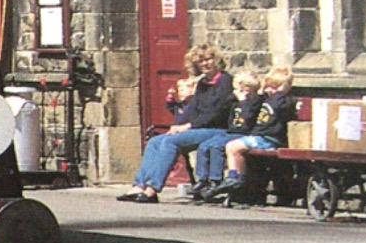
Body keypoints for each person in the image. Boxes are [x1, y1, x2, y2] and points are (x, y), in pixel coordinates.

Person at [118, 44, 234, 203]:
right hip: (198, 128)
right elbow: (195, 109)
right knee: (154, 141)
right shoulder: (202, 84)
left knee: (171, 141)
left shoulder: (225, 81)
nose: (205, 64)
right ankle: (139, 185)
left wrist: (189, 126)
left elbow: (217, 112)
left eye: (209, 59)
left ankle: (153, 188)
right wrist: (180, 125)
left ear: (216, 60)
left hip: (218, 129)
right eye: (201, 61)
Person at [204, 66, 297, 202]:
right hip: (259, 137)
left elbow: (277, 108)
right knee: (227, 145)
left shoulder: (285, 101)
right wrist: (260, 92)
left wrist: (280, 92)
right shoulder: (265, 99)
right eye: (269, 86)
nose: (270, 91)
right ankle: (233, 177)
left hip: (271, 140)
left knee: (234, 146)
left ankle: (237, 178)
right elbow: (248, 111)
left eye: (275, 87)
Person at [190, 71, 263, 200]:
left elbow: (248, 117)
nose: (239, 90)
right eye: (237, 87)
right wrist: (233, 99)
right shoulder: (234, 101)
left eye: (244, 87)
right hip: (231, 131)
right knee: (205, 145)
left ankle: (215, 180)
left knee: (216, 146)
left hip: (244, 133)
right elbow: (224, 108)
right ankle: (202, 179)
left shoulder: (255, 101)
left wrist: (243, 102)